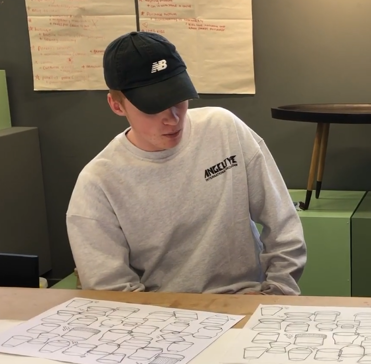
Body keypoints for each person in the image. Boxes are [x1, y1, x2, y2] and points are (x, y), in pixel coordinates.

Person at [66, 31, 306, 295]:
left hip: (248, 301)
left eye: (178, 99)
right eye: (152, 107)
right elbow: (112, 291)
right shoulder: (97, 183)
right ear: (116, 105)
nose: (172, 118)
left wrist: (277, 294)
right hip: (162, 313)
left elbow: (283, 226)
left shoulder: (224, 128)